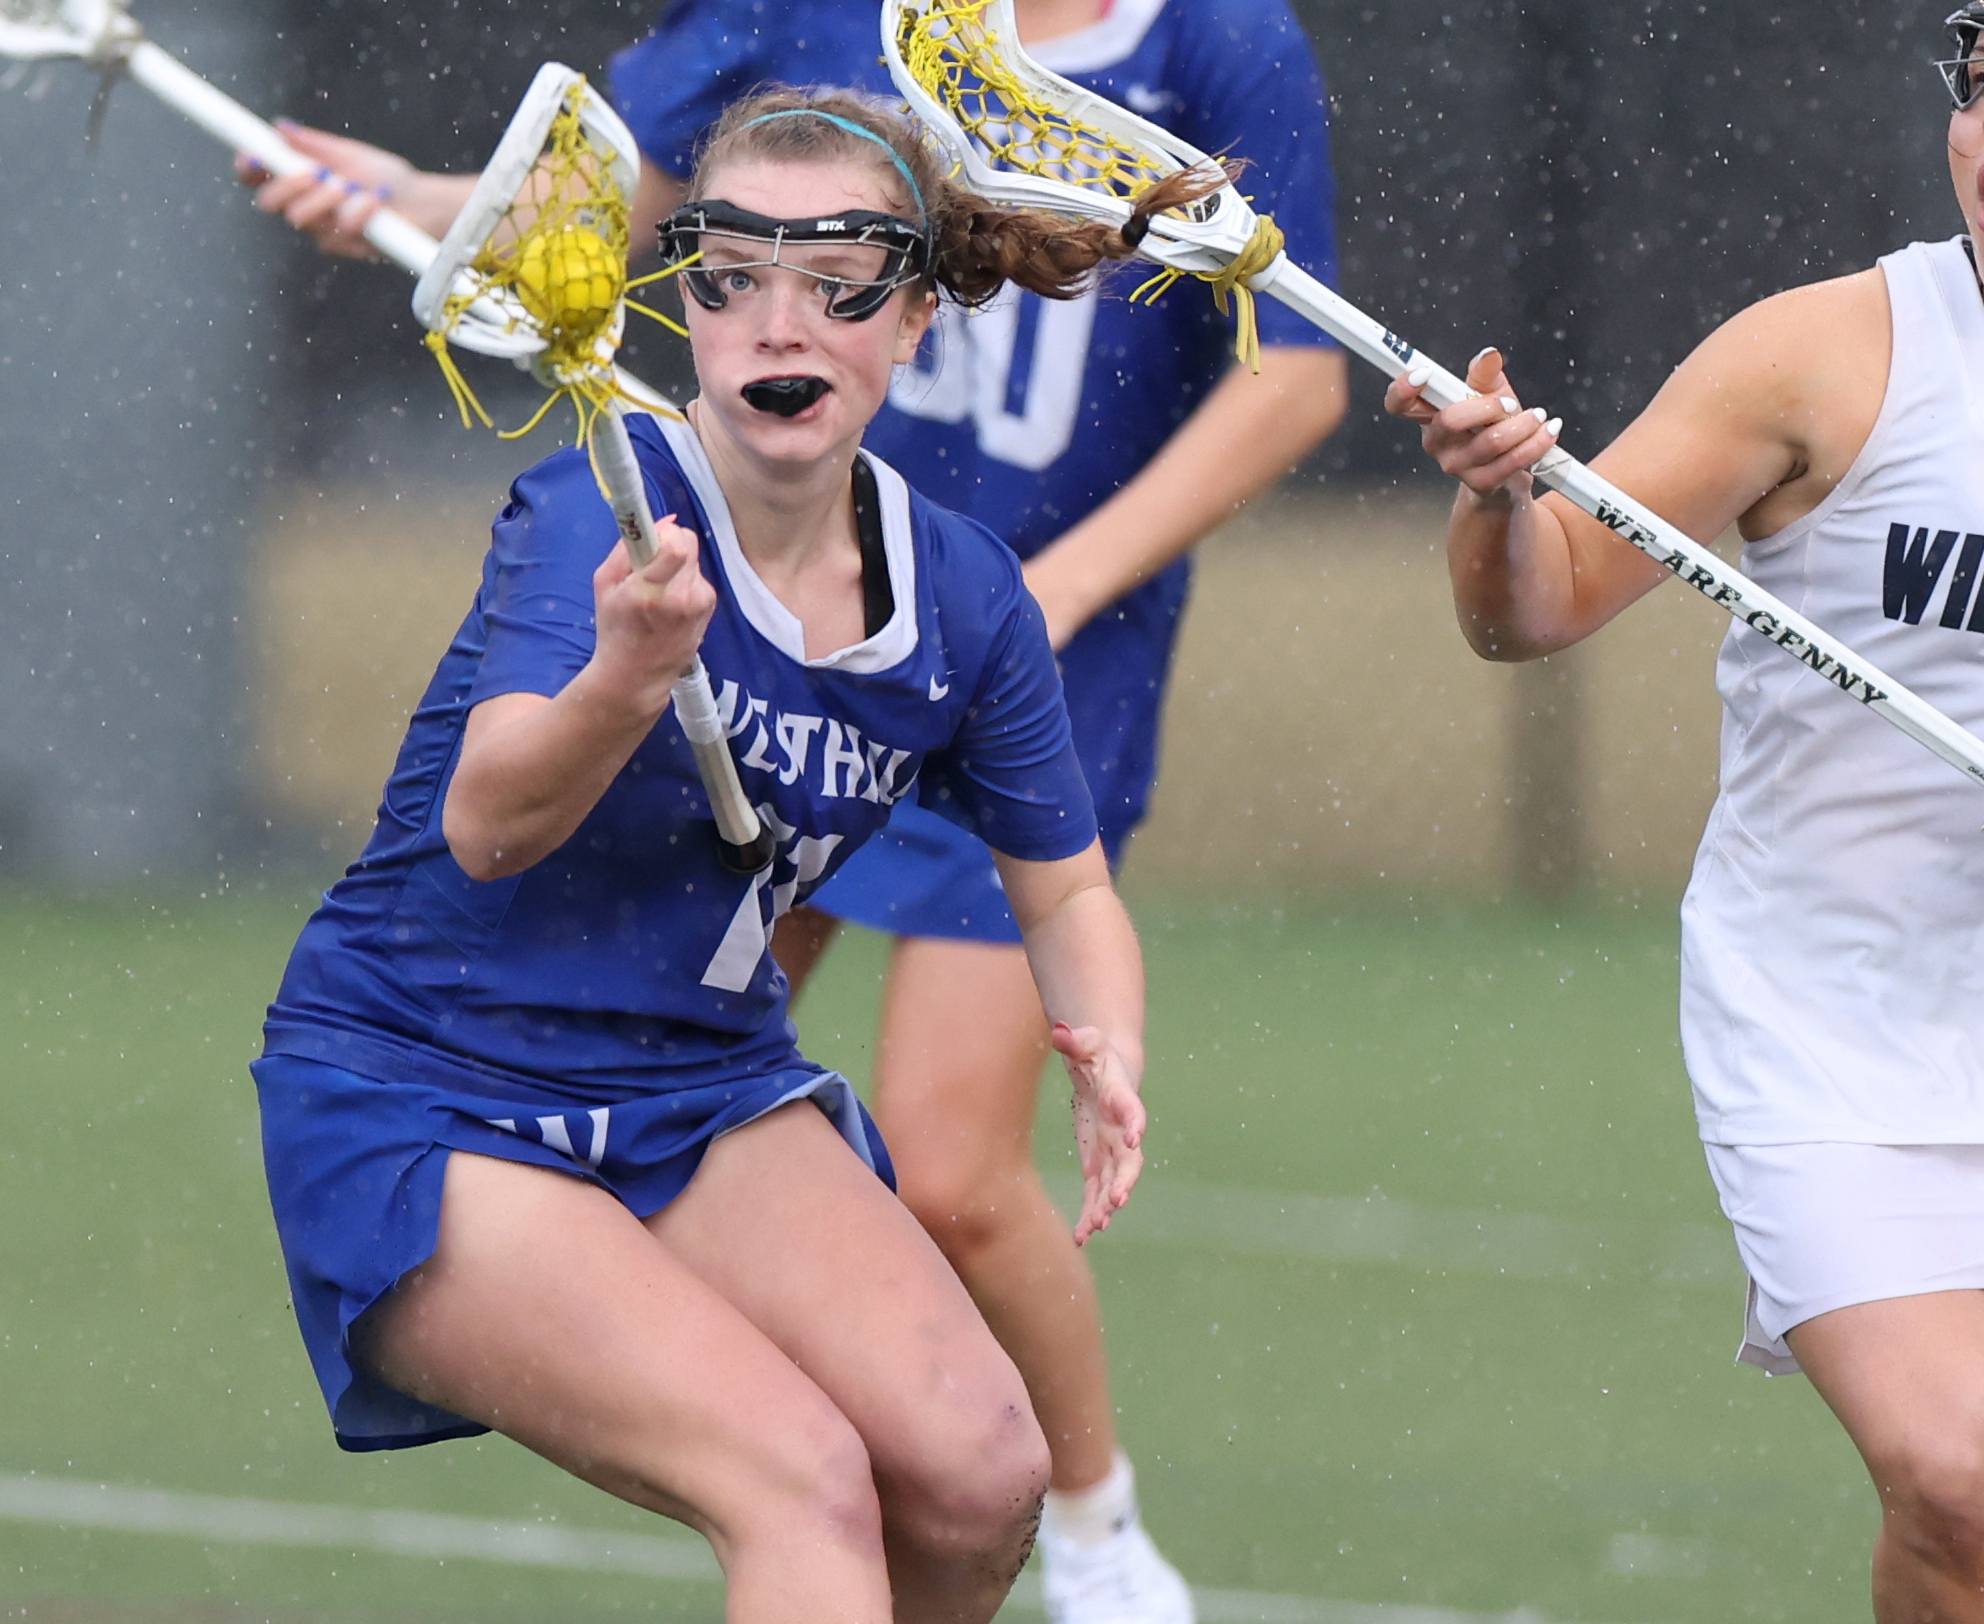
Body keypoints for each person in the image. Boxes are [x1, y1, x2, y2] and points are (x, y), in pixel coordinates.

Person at [247, 4, 1345, 1614]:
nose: (782, 321)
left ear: (913, 326)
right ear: (680, 305)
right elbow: (488, 827)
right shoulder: (599, 515)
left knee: (977, 1475)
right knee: (803, 1480)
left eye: (838, 283)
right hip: (433, 1091)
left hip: (696, 1093)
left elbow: (1067, 890)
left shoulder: (959, 595)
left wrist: (1103, 1036)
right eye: (733, 277)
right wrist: (626, 678)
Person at [1388, 9, 1984, 1619]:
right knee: (1962, 1476)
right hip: (1836, 1028)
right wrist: (1498, 500)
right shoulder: (1824, 356)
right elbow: (1539, 609)